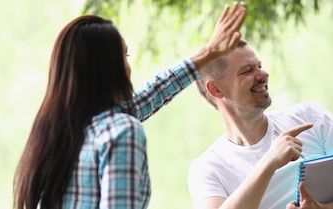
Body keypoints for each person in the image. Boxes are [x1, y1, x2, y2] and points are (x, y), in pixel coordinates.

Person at [12, 2, 246, 209]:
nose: (128, 66)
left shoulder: (59, 132)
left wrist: (210, 52)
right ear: (108, 68)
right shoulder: (121, 130)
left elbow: (154, 92)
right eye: (124, 56)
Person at [188, 40, 333, 209]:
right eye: (247, 71)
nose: (263, 74)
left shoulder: (309, 118)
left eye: (259, 65)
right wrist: (269, 162)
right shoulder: (207, 168)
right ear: (215, 89)